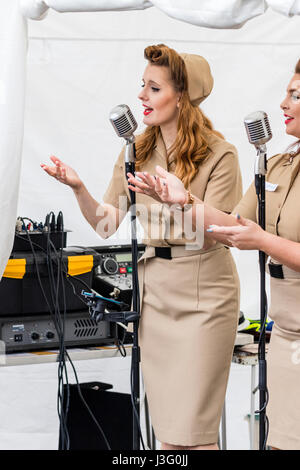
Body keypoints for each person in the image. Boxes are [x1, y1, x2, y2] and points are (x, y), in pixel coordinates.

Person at [41, 44, 242, 450]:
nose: (141, 96)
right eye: (142, 85)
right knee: (168, 434)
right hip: (155, 295)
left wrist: (180, 201)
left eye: (153, 88)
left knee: (197, 434)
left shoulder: (222, 155)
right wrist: (78, 188)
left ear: (182, 96)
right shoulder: (137, 151)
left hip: (205, 293)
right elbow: (105, 223)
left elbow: (224, 231)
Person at [127, 58, 300, 450]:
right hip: (287, 333)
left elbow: (250, 237)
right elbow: (233, 226)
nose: (283, 104)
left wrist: (264, 242)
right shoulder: (276, 164)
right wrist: (183, 200)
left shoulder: (220, 153)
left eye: (295, 95)